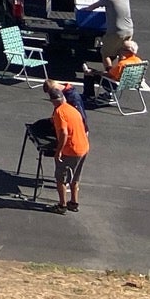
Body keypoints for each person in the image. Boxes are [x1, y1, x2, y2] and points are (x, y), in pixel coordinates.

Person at [46, 79, 89, 212]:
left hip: (71, 150)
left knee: (61, 178)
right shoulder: (72, 109)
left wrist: (58, 151)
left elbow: (64, 133)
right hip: (83, 147)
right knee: (75, 178)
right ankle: (74, 203)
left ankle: (62, 205)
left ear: (53, 101)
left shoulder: (59, 112)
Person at [100, 0, 134, 68]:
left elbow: (94, 6)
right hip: (129, 30)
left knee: (105, 53)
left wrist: (85, 9)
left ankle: (110, 72)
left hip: (117, 31)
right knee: (122, 52)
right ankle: (120, 72)